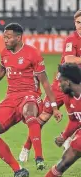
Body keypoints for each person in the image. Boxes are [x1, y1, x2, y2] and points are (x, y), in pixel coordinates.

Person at [0, 23, 63, 177]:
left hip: (30, 95)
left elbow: (45, 82)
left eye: (8, 37)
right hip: (11, 98)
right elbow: (1, 69)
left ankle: (39, 157)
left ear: (19, 37)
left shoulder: (32, 53)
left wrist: (54, 107)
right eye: (4, 37)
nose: (5, 40)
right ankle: (18, 170)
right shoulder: (5, 53)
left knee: (29, 113)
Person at [19, 9, 81, 165]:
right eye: (78, 22)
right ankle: (26, 147)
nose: (80, 26)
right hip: (62, 85)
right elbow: (68, 59)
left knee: (76, 116)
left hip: (78, 86)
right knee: (44, 116)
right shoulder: (71, 39)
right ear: (74, 23)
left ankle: (68, 139)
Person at [16, 63, 81, 177]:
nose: (57, 85)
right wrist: (64, 136)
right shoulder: (68, 98)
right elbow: (74, 121)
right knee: (61, 164)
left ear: (68, 81)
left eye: (60, 81)